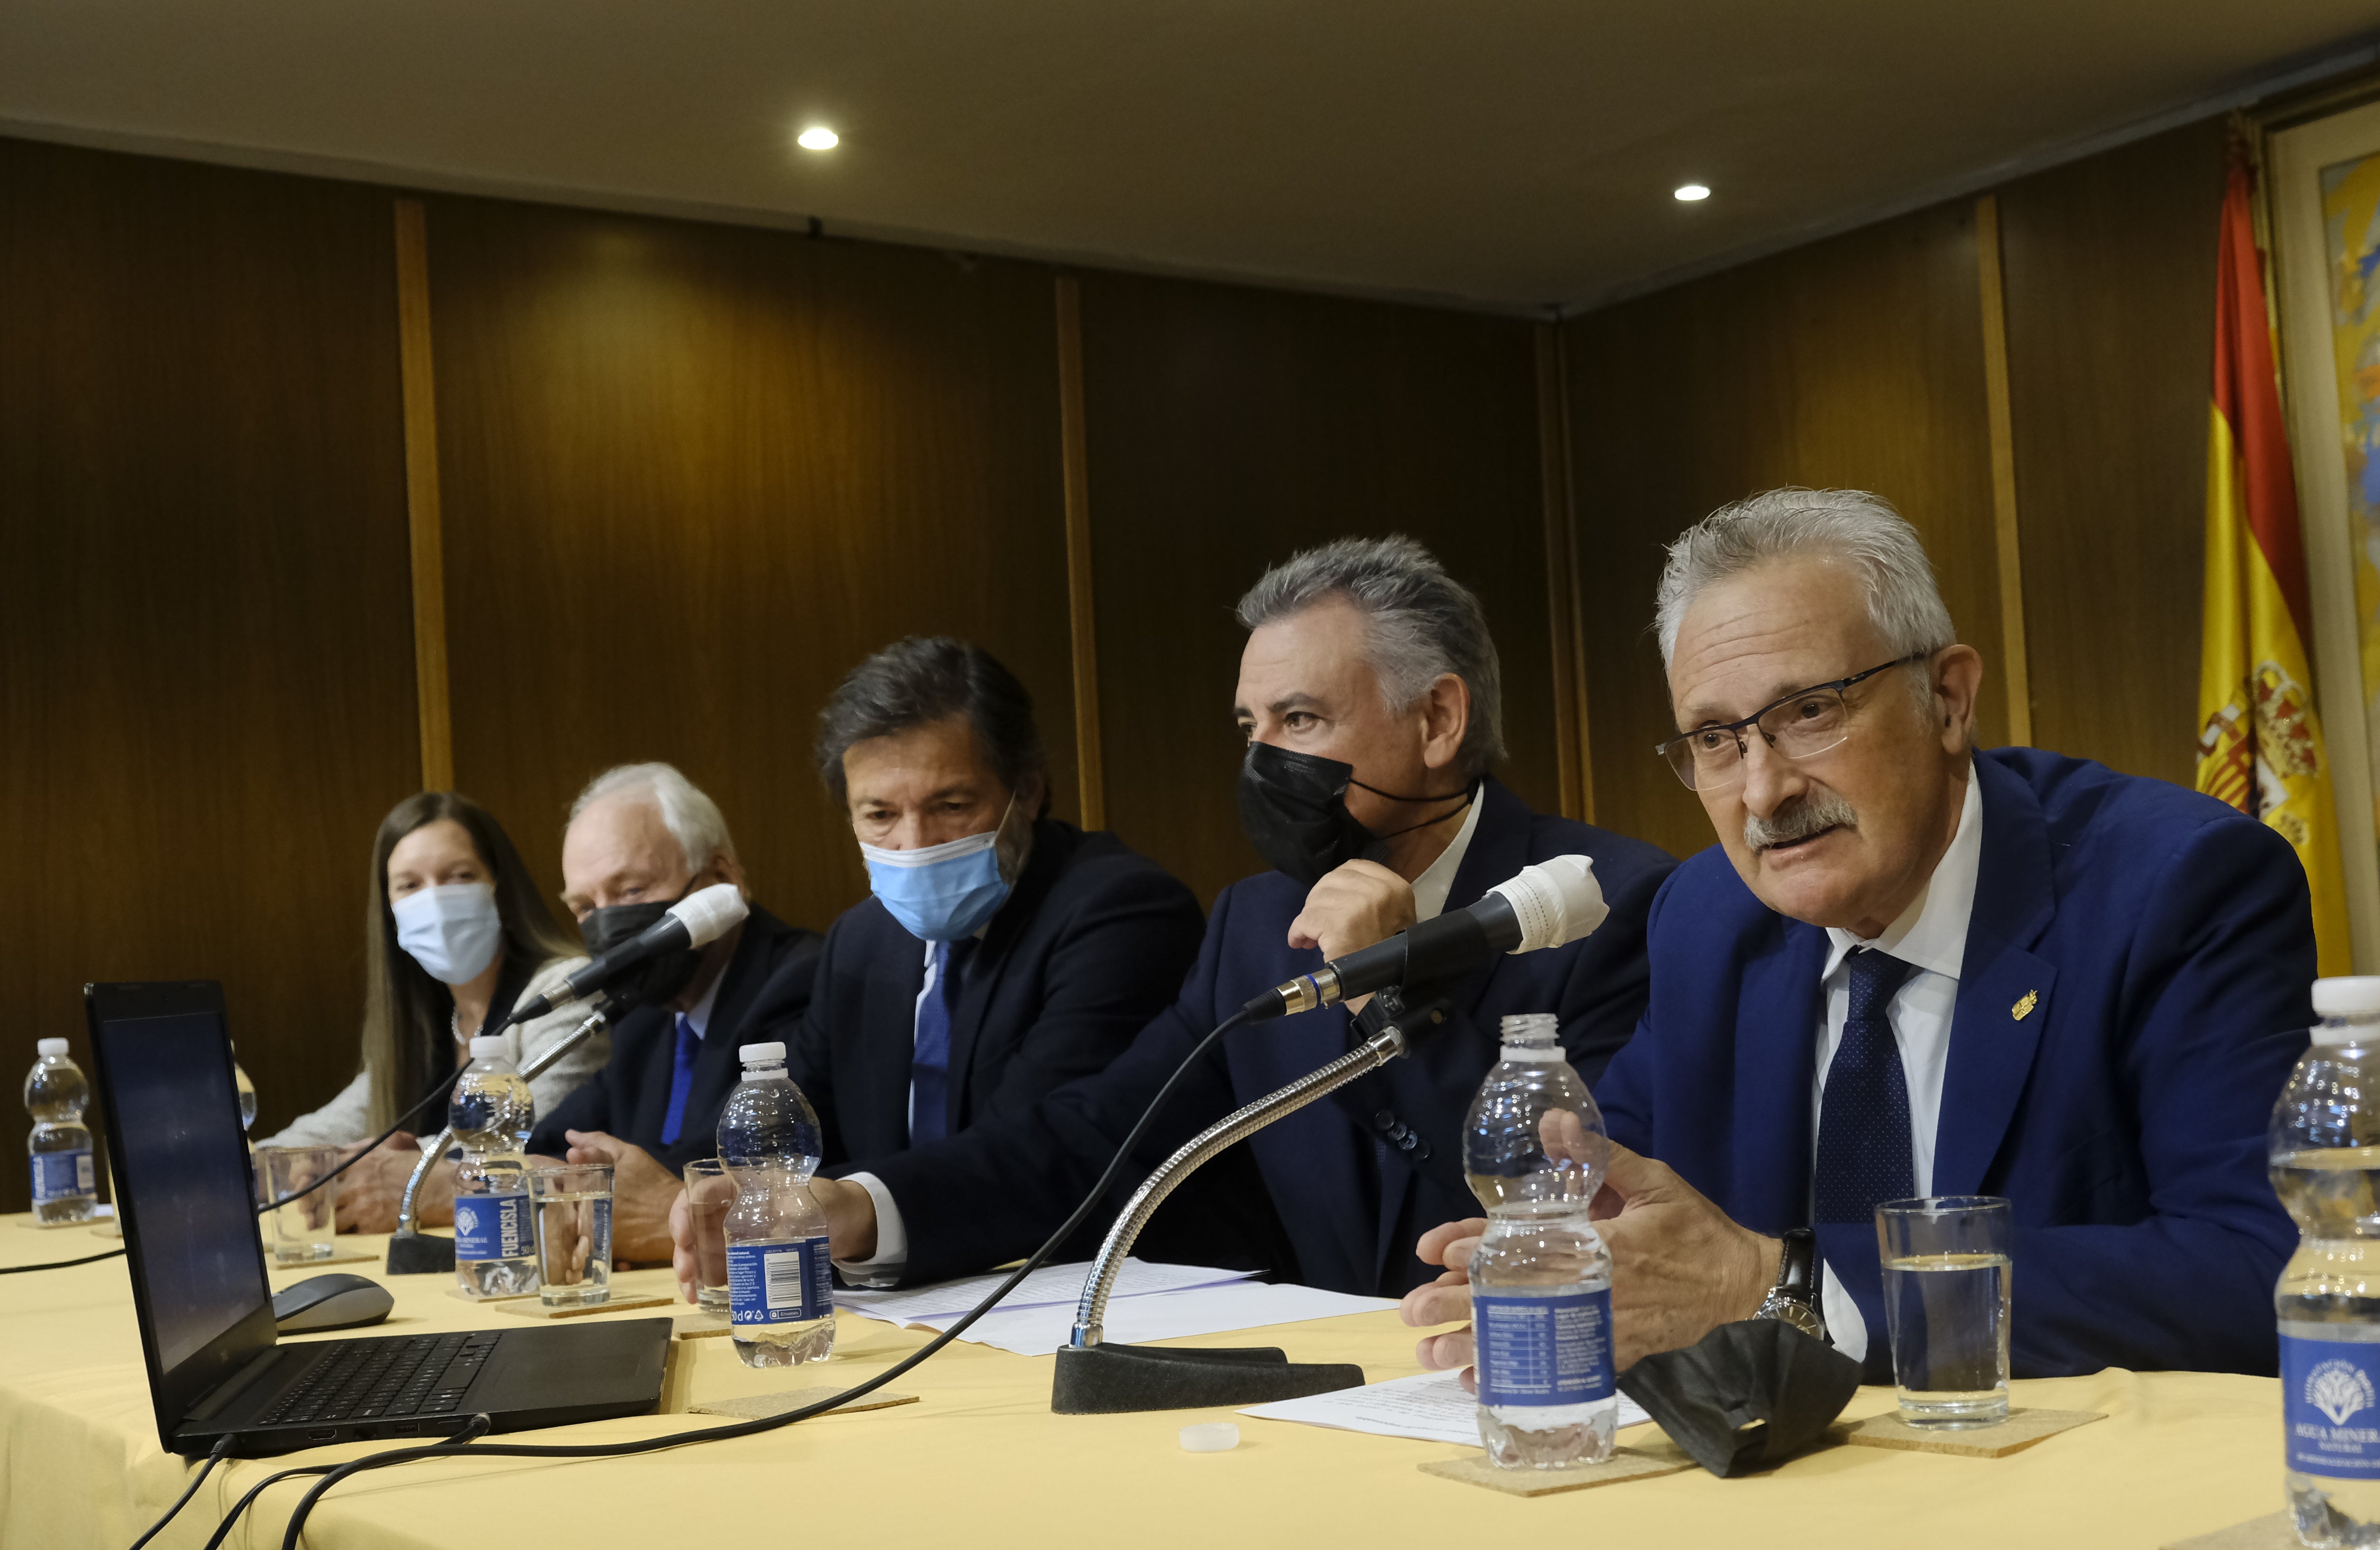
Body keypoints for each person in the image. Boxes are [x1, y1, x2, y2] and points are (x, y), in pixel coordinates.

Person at [1400, 489, 2317, 1379]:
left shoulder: (2174, 887)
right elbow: (1633, 1202)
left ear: (1949, 700)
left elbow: (2260, 1270)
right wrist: (1569, 1254)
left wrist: (1783, 1290)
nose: (1764, 793)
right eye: (1716, 740)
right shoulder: (1708, 922)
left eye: (1810, 712)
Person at [682, 535, 1677, 1300]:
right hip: (1326, 1409)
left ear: (1437, 720)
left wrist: (1397, 1000)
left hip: (1549, 1380)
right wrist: (858, 1208)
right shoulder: (1257, 922)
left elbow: (1587, 1200)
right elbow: (1098, 1133)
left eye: (1301, 720)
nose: (1262, 759)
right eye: (1251, 727)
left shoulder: (1614, 902)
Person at [787, 635, 1209, 1184]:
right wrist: (689, 1190)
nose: (915, 843)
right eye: (880, 815)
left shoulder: (1123, 913)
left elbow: (1032, 1155)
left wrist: (857, 1212)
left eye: (952, 806)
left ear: (1028, 791)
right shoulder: (861, 939)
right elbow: (796, 1131)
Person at [263, 791, 606, 1232]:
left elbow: (519, 1136)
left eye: (459, 876)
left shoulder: (565, 991)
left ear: (500, 885)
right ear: (389, 911)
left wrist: (374, 1170)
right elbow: (319, 1134)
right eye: (410, 885)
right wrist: (258, 1165)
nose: (436, 901)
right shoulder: (425, 1026)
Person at [527, 763, 822, 1261]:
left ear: (723, 878)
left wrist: (613, 1193)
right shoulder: (644, 1017)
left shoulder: (801, 979)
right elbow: (555, 1142)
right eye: (584, 906)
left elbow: (736, 1161)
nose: (608, 926)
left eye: (632, 891)